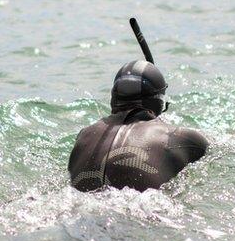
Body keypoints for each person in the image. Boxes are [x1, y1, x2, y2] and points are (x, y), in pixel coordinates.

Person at [68, 60, 208, 192]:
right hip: (137, 209)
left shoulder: (84, 134)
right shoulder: (180, 137)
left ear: (113, 99)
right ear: (159, 103)